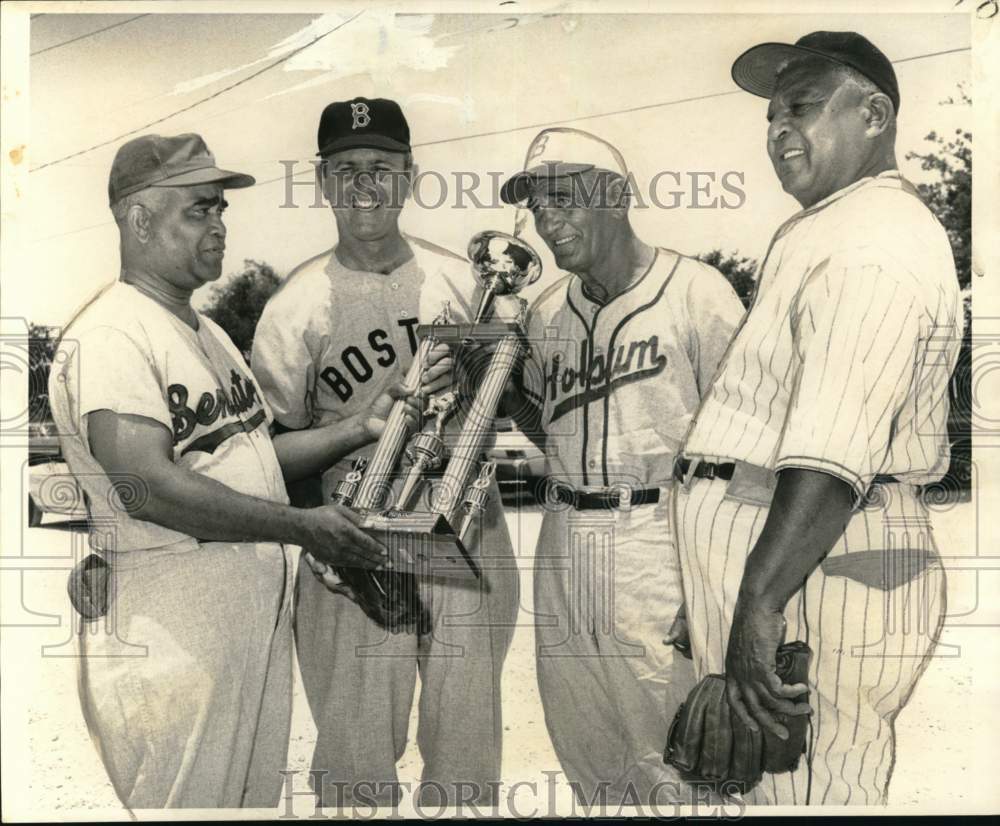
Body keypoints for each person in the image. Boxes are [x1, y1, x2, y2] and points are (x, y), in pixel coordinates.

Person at [47, 133, 397, 809]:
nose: (219, 225)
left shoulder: (205, 334)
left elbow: (255, 458)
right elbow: (147, 487)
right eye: (200, 210)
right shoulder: (114, 334)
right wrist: (304, 529)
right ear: (140, 220)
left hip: (238, 630)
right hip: (172, 630)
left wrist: (360, 426)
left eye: (221, 210)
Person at [673, 31, 960, 804]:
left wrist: (757, 603)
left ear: (873, 114)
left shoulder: (876, 238)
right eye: (770, 116)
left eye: (800, 106)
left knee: (811, 791)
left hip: (829, 559)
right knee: (766, 794)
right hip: (789, 552)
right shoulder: (824, 226)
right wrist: (712, 577)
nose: (777, 129)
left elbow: (831, 456)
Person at [251, 97, 519, 808]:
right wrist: (328, 547)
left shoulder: (465, 282)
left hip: (467, 525)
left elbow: (514, 398)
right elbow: (271, 455)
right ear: (322, 181)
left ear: (409, 176)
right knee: (355, 761)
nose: (363, 185)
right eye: (345, 170)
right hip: (354, 537)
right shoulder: (292, 306)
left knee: (466, 759)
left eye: (380, 167)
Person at [499, 127, 745, 804]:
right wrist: (503, 394)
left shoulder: (699, 293)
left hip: (660, 537)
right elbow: (549, 433)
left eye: (563, 199)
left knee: (680, 763)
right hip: (564, 539)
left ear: (614, 195)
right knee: (592, 758)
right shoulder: (548, 312)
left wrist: (718, 590)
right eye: (536, 205)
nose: (547, 219)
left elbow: (751, 454)